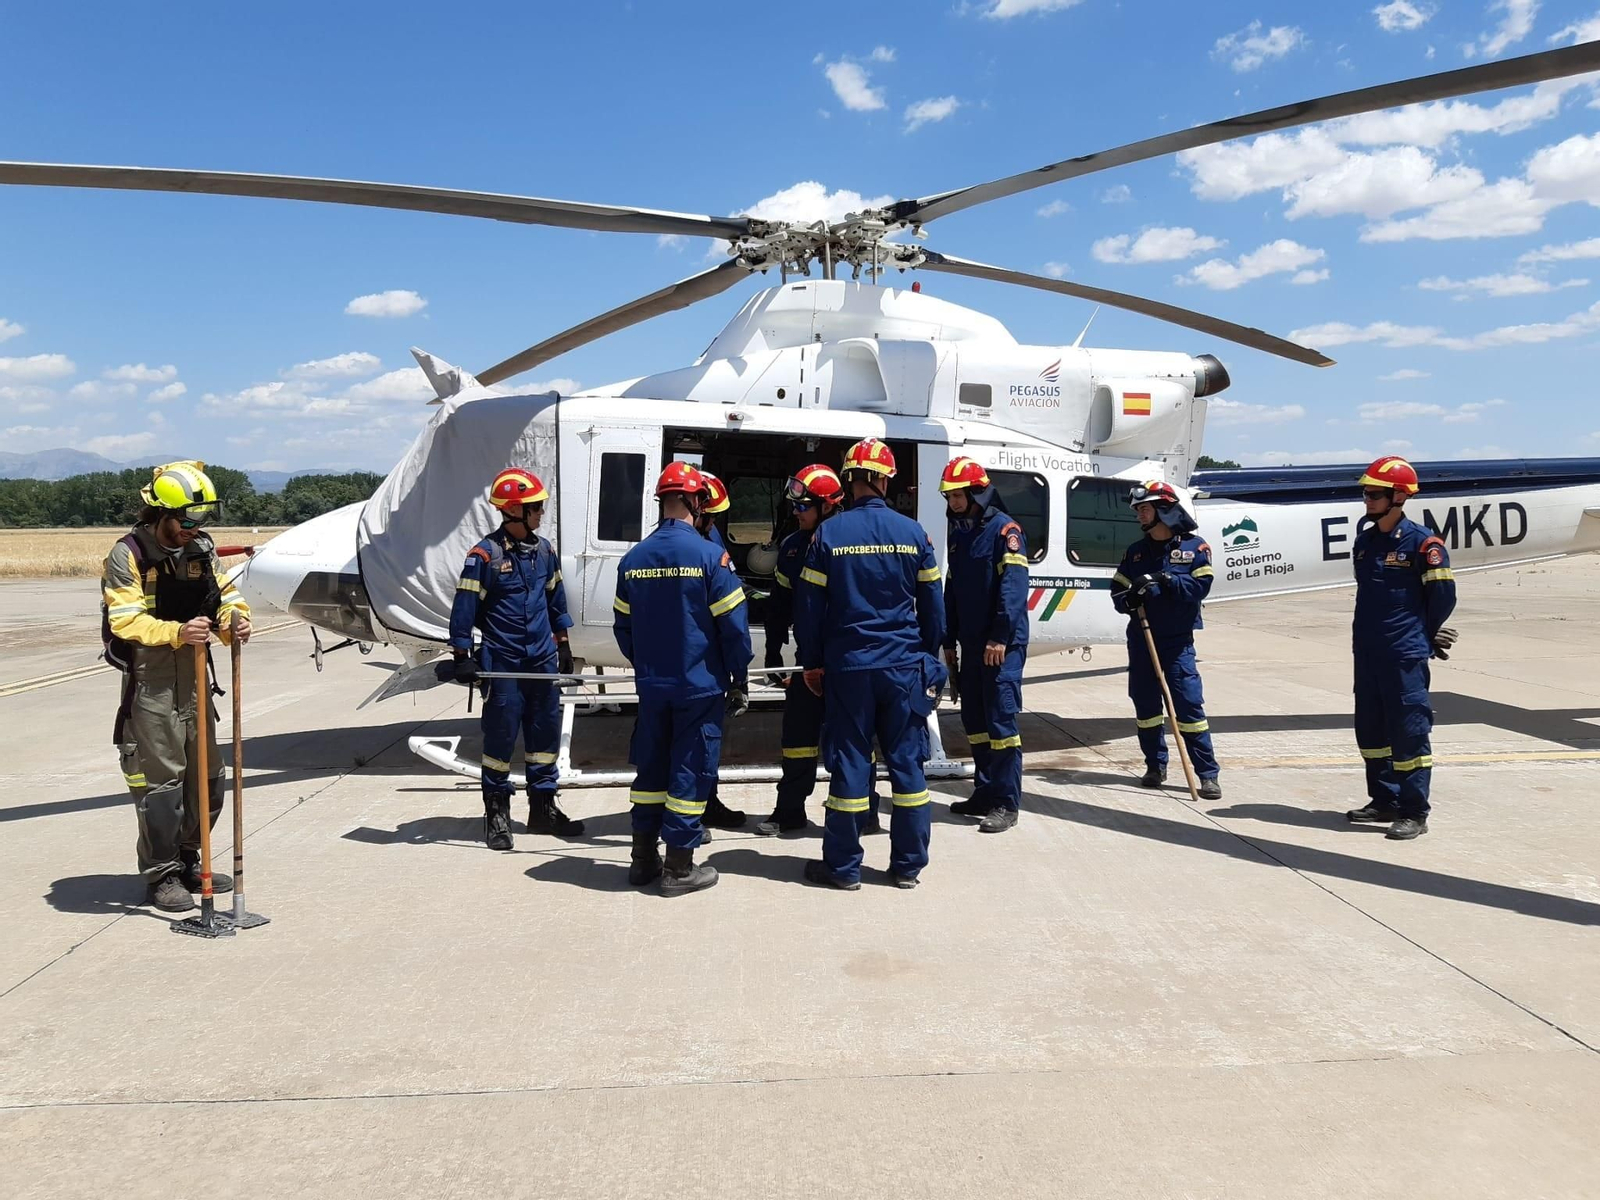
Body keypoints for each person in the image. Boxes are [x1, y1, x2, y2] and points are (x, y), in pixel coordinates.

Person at [794, 437, 946, 890]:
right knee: (908, 767)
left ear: (851, 480)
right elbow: (933, 609)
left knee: (851, 765)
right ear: (883, 479)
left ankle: (843, 869)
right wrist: (927, 657)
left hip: (849, 668)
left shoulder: (828, 534)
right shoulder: (914, 533)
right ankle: (907, 868)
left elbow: (809, 609)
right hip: (902, 668)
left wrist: (812, 663)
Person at [101, 461, 251, 913]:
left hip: (196, 673)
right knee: (163, 785)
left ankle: (191, 861)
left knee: (207, 778)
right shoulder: (127, 554)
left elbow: (224, 593)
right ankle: (162, 873)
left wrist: (234, 621)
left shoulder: (201, 548)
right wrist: (177, 633)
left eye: (202, 519)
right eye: (186, 519)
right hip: (153, 681)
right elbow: (124, 619)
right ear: (160, 515)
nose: (194, 528)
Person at [614, 462, 753, 895]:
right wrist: (739, 677)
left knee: (651, 772)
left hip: (653, 687)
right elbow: (734, 628)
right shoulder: (711, 557)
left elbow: (624, 628)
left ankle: (641, 860)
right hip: (699, 686)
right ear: (695, 502)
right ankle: (678, 867)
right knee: (690, 772)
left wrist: (649, 665)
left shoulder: (633, 560)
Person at [445, 468, 582, 851]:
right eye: (535, 507)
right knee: (501, 739)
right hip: (501, 662)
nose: (541, 513)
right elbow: (464, 608)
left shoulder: (544, 551)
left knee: (544, 737)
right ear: (514, 511)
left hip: (542, 661)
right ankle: (497, 813)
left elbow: (556, 600)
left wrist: (563, 643)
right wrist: (461, 655)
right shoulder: (483, 556)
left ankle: (542, 809)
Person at [1346, 456, 1457, 841]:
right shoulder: (1366, 540)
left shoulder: (1424, 543)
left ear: (1399, 496)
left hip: (1404, 654)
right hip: (1369, 651)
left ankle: (1414, 811)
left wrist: (1426, 634)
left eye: (1374, 493)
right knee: (1371, 730)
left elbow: (1442, 595)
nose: (1366, 499)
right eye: (1365, 492)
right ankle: (1384, 800)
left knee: (1409, 732)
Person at [1110, 481, 1222, 800]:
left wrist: (1166, 580)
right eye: (1138, 510)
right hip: (1142, 639)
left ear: (1164, 510)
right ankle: (1155, 766)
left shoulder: (1194, 548)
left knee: (1187, 706)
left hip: (1176, 643)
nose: (1139, 516)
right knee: (1146, 709)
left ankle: (1207, 774)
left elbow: (1200, 588)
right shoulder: (1136, 552)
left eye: (1144, 509)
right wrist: (1127, 599)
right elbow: (1118, 587)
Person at [939, 456, 1030, 834]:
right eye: (948, 495)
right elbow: (953, 587)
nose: (952, 501)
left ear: (977, 491)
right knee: (974, 722)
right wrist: (948, 641)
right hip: (971, 643)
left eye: (957, 494)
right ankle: (984, 791)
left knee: (1000, 723)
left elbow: (1012, 589)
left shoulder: (1004, 531)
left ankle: (1006, 803)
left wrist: (999, 637)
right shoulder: (960, 531)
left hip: (999, 646)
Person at [757, 463, 846, 837]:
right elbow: (780, 603)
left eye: (803, 506)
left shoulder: (846, 541)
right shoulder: (793, 547)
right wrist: (774, 651)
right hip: (805, 660)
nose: (796, 513)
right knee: (796, 739)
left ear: (827, 506)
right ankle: (789, 810)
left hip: (845, 660)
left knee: (851, 742)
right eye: (794, 507)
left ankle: (864, 813)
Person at [689, 470, 747, 831]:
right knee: (688, 745)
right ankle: (687, 817)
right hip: (698, 664)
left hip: (707, 661)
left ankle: (706, 803)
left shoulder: (710, 538)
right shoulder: (697, 547)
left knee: (707, 744)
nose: (714, 522)